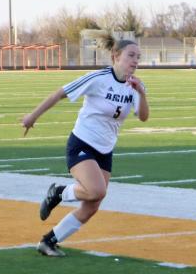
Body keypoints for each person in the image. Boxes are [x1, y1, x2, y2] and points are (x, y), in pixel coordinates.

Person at [21, 37, 150, 256]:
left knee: (93, 204)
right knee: (96, 190)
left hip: (105, 150)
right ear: (115, 56)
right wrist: (32, 116)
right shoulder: (98, 78)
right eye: (130, 55)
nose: (135, 60)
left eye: (138, 57)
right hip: (82, 142)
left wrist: (141, 93)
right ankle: (59, 193)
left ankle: (48, 241)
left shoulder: (135, 86)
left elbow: (144, 117)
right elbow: (60, 93)